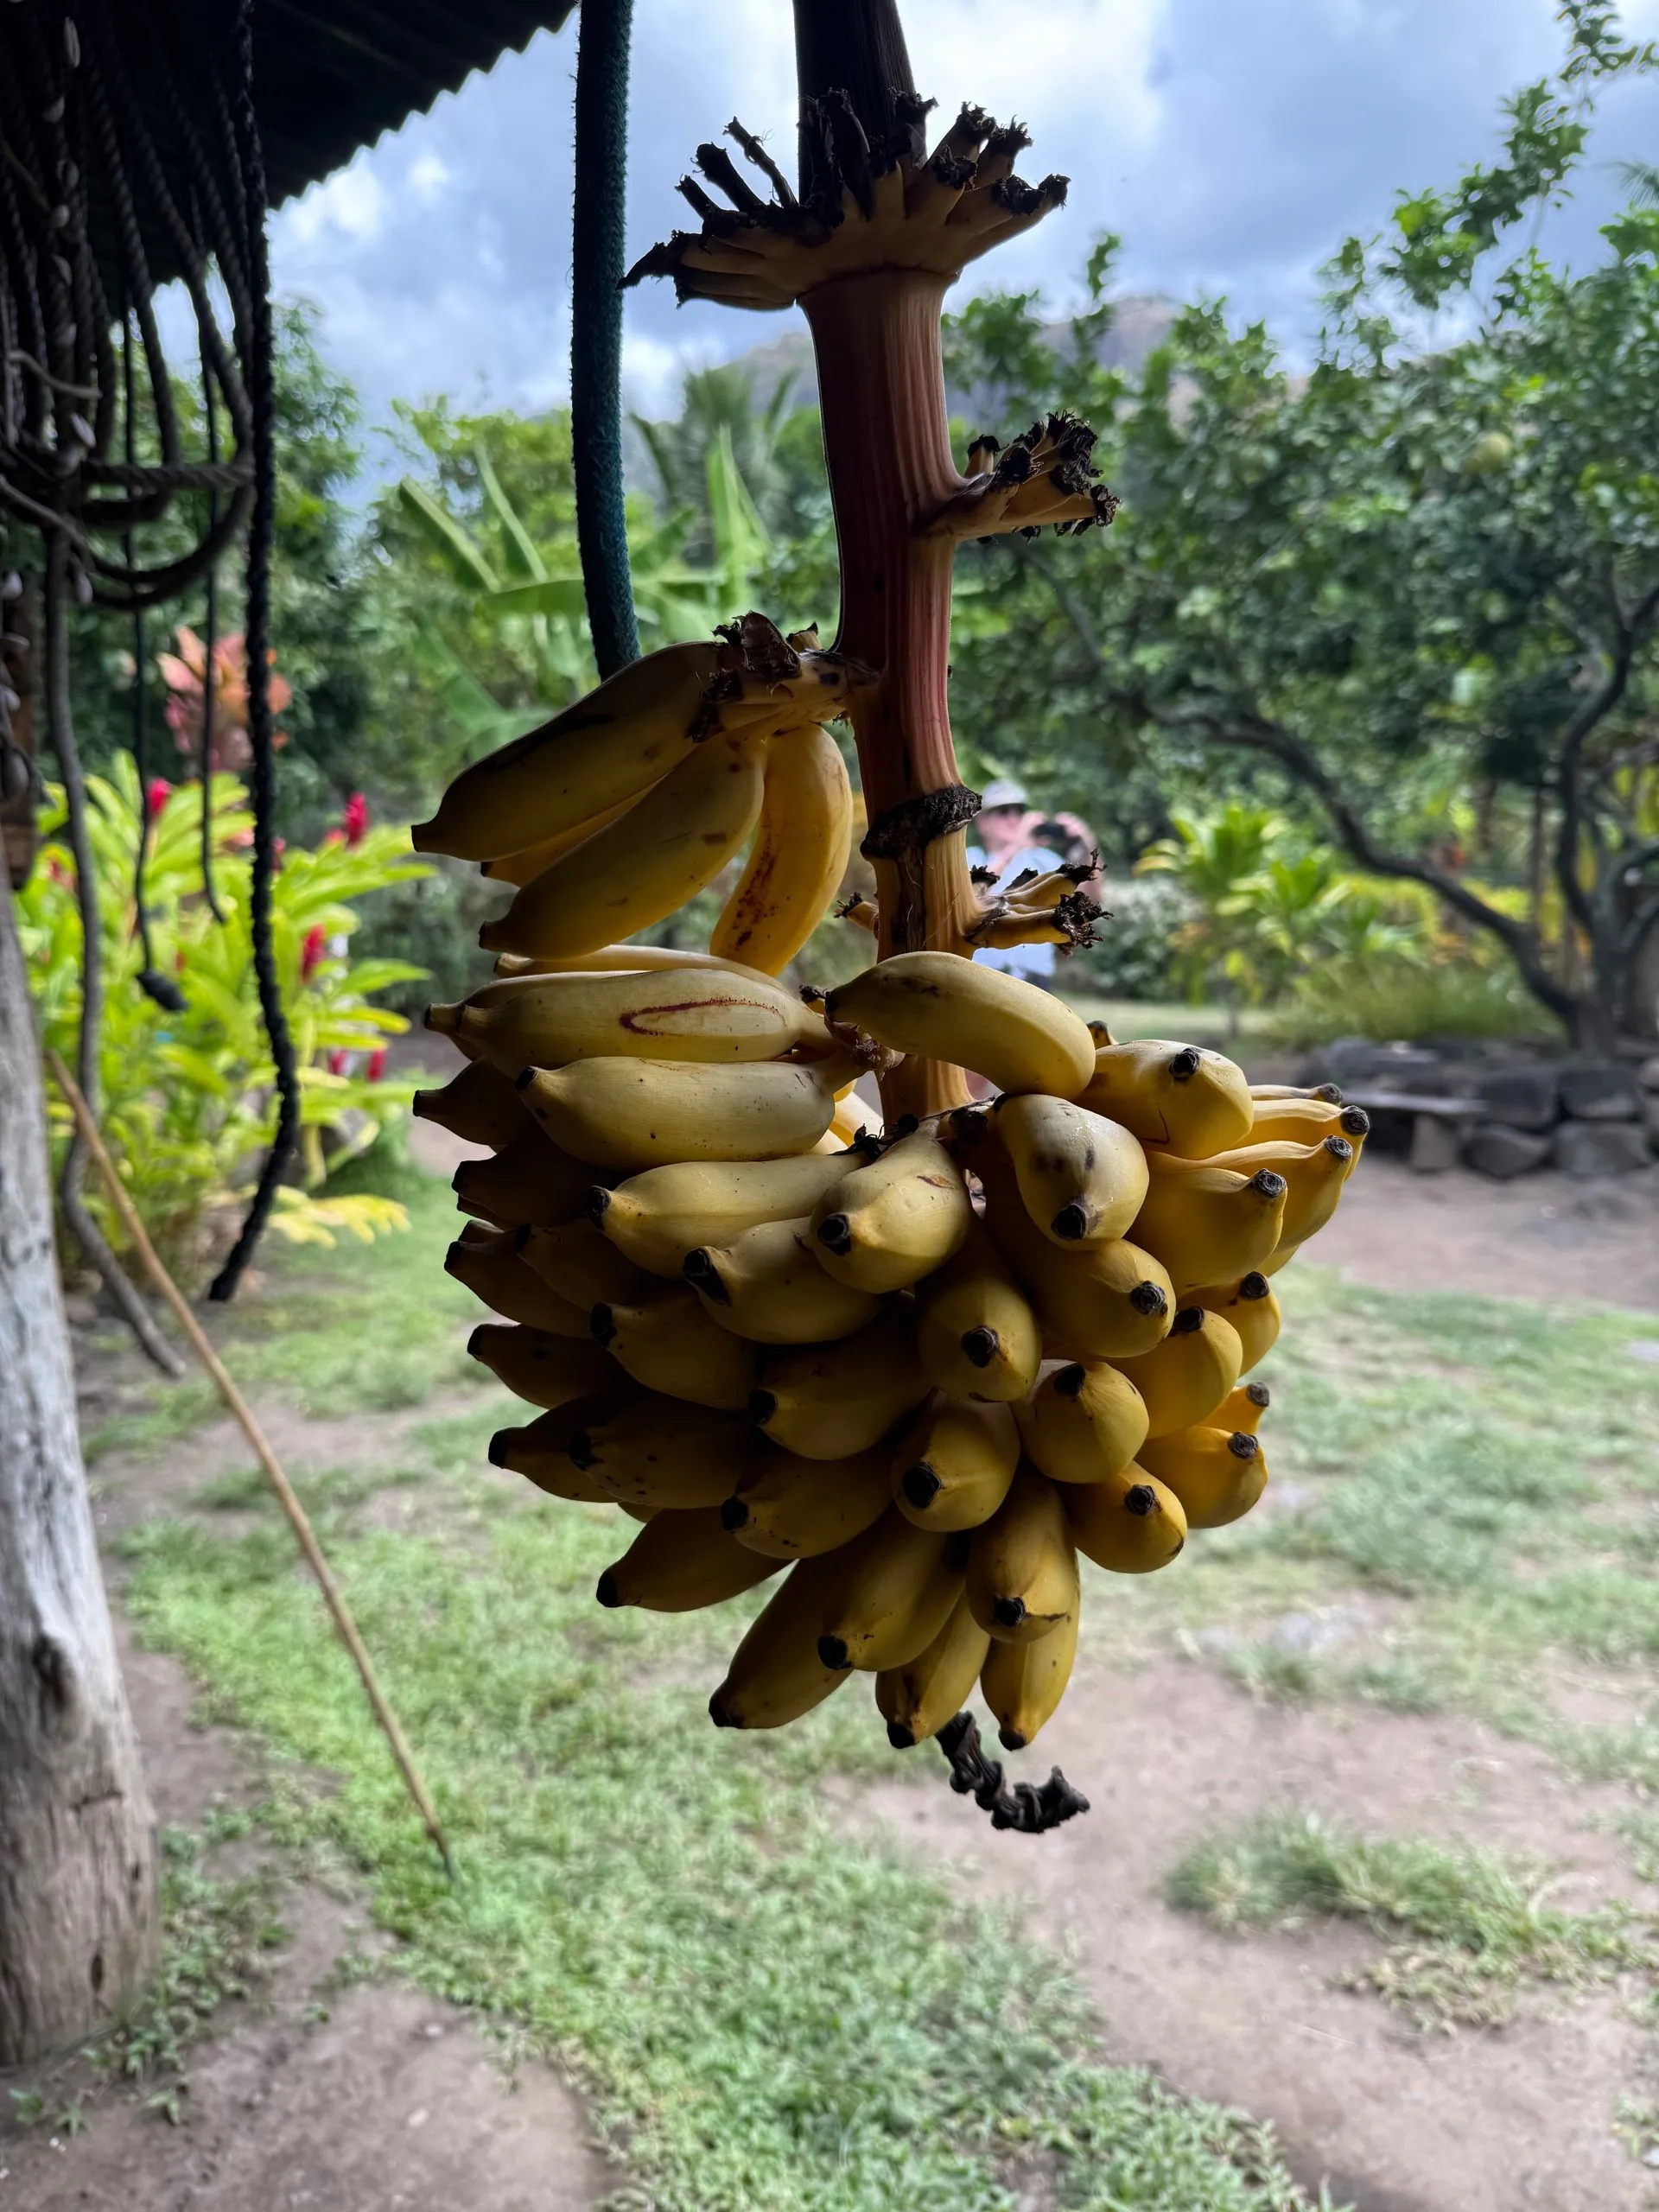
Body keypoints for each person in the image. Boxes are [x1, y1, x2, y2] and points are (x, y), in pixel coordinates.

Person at [965, 778, 1101, 988]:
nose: (1014, 818)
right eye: (1004, 812)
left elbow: (1090, 901)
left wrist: (1087, 843)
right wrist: (1018, 843)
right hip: (979, 976)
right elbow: (970, 896)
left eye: (1018, 811)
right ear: (982, 823)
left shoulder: (1043, 859)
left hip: (1034, 981)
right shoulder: (970, 858)